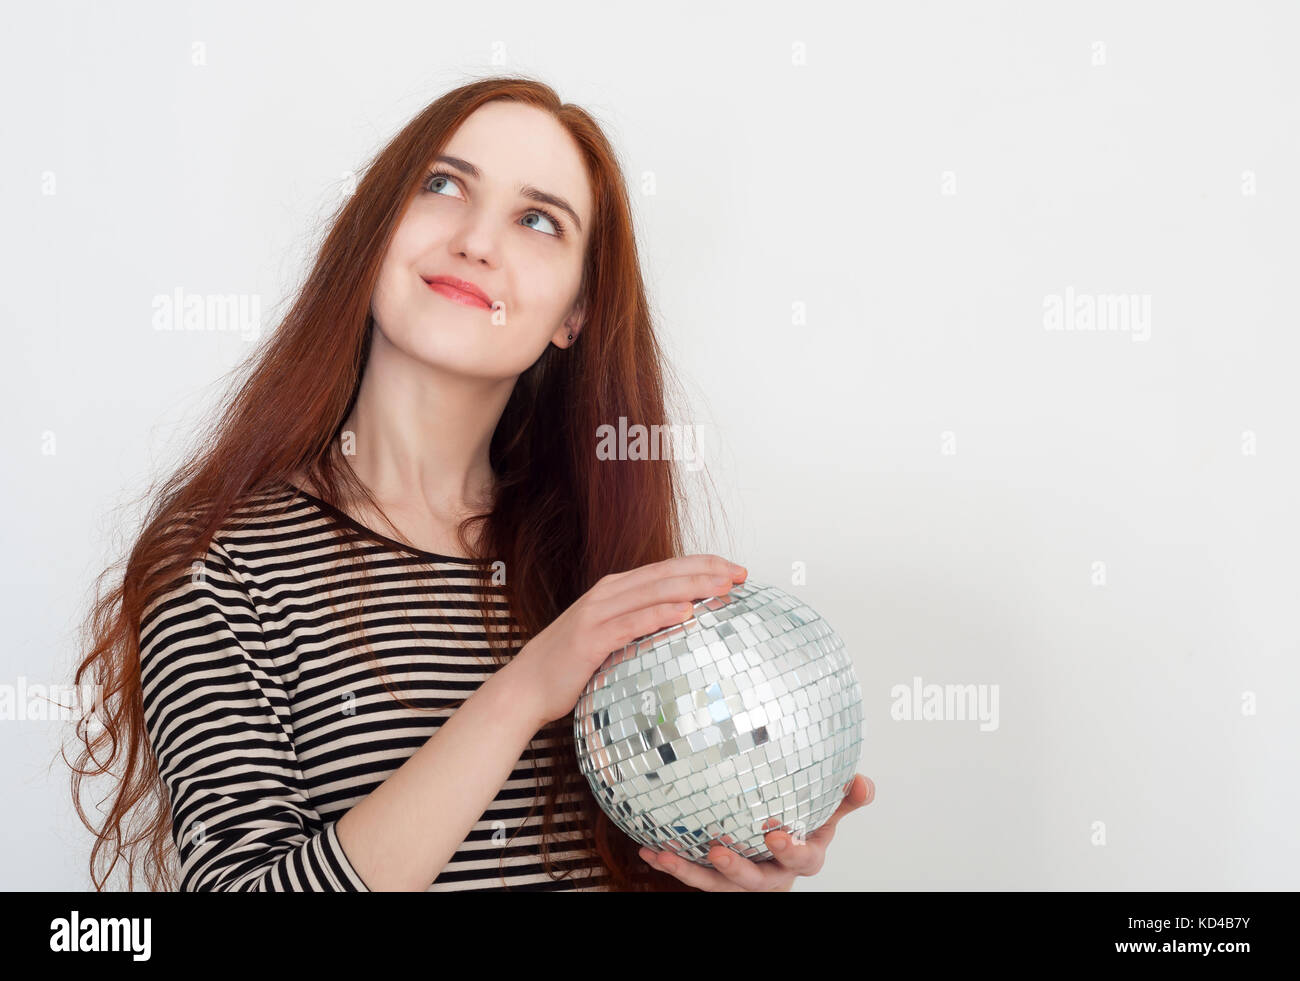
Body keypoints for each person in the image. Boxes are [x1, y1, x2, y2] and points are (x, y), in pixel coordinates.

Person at [68, 75, 874, 892]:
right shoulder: (214, 564)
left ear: (574, 313)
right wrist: (523, 689)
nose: (477, 241)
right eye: (444, 185)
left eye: (536, 220)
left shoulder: (593, 560)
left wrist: (730, 863)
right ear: (377, 230)